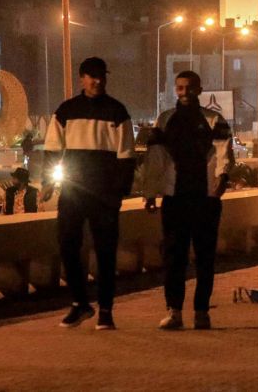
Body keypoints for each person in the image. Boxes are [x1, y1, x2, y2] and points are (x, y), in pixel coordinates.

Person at [42, 57, 135, 330]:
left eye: (101, 76)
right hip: (73, 191)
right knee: (67, 246)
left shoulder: (117, 111)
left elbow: (127, 155)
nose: (97, 81)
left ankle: (105, 310)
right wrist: (46, 182)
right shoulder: (66, 111)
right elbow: (52, 148)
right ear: (82, 78)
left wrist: (120, 192)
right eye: (92, 76)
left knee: (105, 253)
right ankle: (80, 303)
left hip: (105, 195)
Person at [142, 71, 235, 330]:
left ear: (199, 90)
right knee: (174, 257)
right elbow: (155, 159)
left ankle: (201, 312)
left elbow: (224, 151)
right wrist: (150, 192)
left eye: (190, 88)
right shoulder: (165, 120)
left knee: (205, 258)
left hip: (206, 197)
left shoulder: (213, 119)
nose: (184, 93)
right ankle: (174, 311)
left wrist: (222, 178)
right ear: (176, 89)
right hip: (175, 197)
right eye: (180, 88)